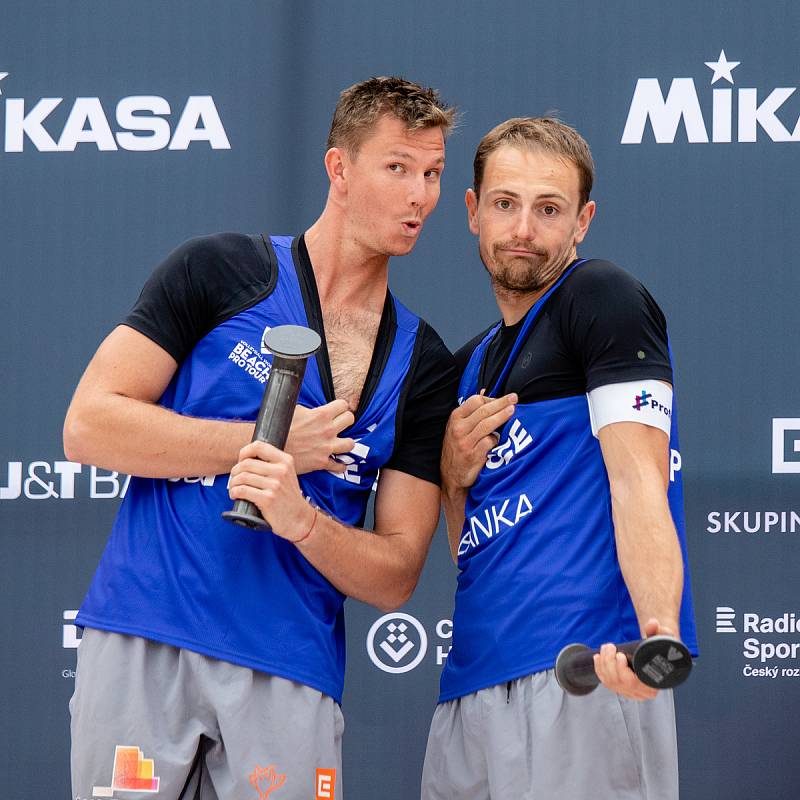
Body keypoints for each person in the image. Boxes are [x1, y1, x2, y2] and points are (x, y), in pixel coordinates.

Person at [63, 76, 458, 800]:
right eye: (398, 167)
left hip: (291, 670)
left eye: (432, 173)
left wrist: (301, 518)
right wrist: (266, 445)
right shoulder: (221, 270)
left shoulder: (425, 363)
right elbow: (90, 424)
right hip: (147, 634)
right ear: (340, 169)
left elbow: (398, 574)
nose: (420, 196)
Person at [421, 118, 698, 800]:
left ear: (582, 221)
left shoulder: (602, 298)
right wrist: (452, 478)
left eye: (549, 209)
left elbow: (640, 480)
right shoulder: (462, 367)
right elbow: (470, 550)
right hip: (471, 683)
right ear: (472, 210)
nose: (524, 228)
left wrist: (655, 636)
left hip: (587, 670)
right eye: (506, 203)